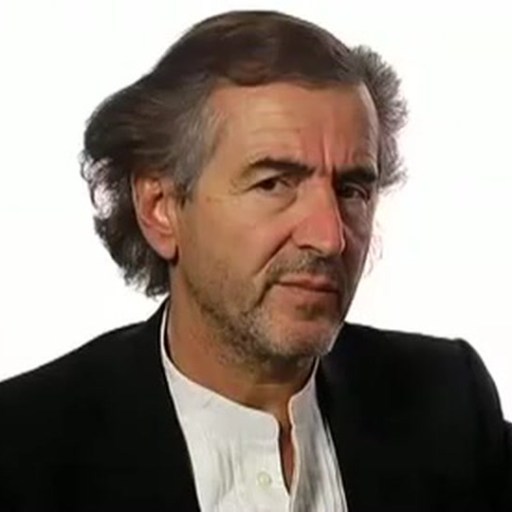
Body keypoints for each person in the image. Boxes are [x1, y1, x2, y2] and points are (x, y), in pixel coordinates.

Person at [0, 9, 510, 512]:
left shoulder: (450, 407)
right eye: (274, 184)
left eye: (352, 190)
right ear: (160, 208)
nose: (329, 238)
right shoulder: (21, 451)